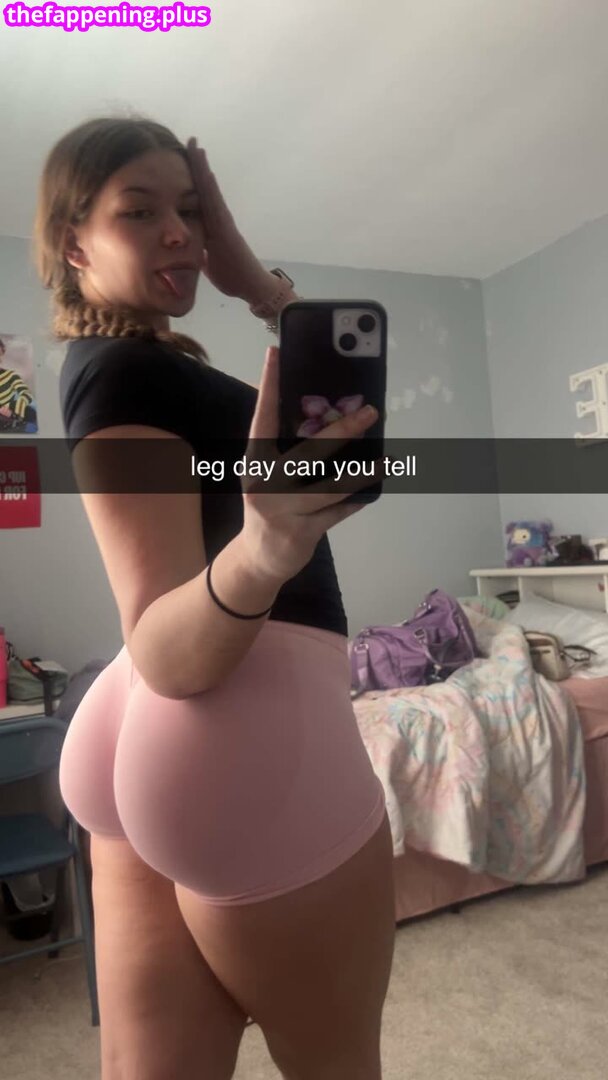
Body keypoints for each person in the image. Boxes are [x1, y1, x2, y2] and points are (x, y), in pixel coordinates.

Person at [33, 116, 395, 1080]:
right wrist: (268, 545)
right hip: (239, 717)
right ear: (74, 244)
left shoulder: (133, 366)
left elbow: (348, 396)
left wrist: (254, 284)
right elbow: (163, 643)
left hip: (147, 733)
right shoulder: (120, 374)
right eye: (139, 211)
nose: (180, 233)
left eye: (191, 211)